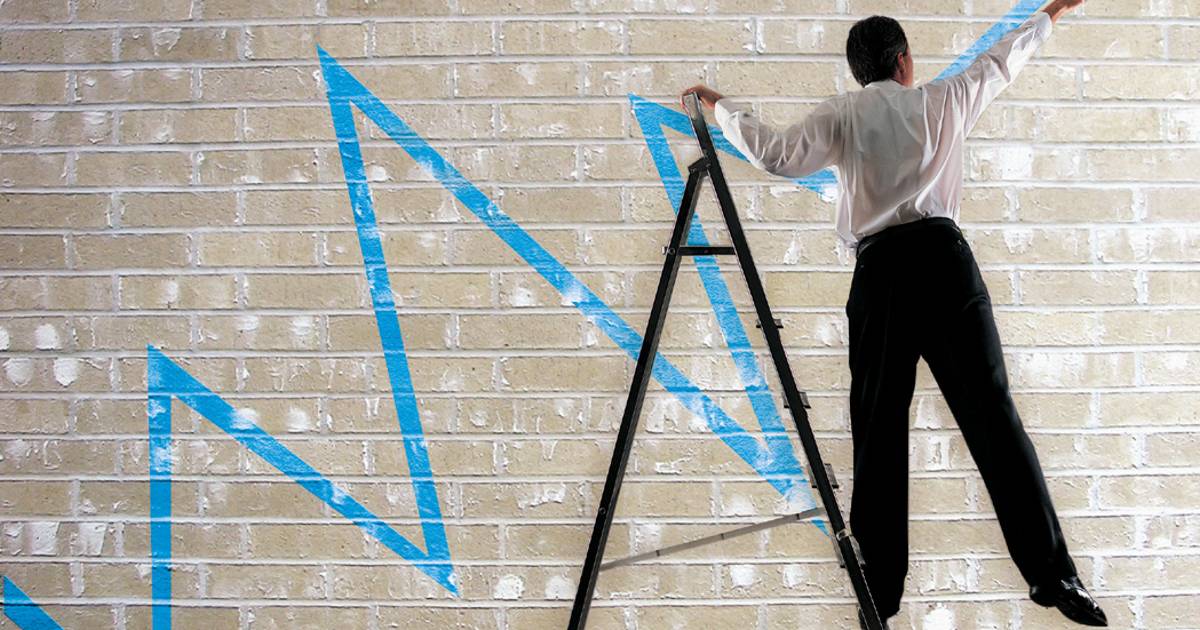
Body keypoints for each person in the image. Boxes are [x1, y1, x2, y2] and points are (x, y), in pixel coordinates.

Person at [682, 0, 1108, 627]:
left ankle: (878, 595)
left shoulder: (844, 113)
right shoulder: (945, 99)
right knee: (994, 417)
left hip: (881, 274)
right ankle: (1054, 575)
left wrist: (721, 106)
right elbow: (1003, 61)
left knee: (878, 430)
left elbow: (775, 154)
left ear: (860, 71)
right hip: (944, 264)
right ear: (904, 61)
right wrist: (1052, 11)